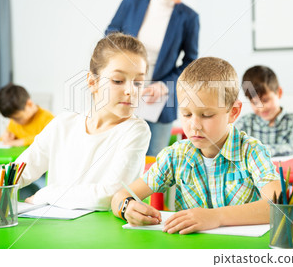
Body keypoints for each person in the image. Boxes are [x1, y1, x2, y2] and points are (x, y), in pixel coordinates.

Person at [0, 33, 151, 211]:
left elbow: (112, 194)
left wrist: (46, 195)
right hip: (56, 232)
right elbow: (22, 168)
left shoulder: (136, 130)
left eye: (138, 82)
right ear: (92, 82)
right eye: (118, 80)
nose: (130, 90)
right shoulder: (63, 124)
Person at [111, 57, 281, 234]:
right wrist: (126, 207)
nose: (195, 125)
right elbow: (119, 197)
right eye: (186, 114)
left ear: (233, 112)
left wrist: (216, 217)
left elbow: (279, 206)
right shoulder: (175, 156)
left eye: (206, 115)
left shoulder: (251, 152)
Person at [105, 0, 199, 157]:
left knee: (155, 167)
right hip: (125, 94)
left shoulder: (189, 18)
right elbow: (111, 34)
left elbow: (191, 63)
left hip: (158, 103)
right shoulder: (132, 1)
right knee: (120, 159)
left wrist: (165, 87)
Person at [235, 66, 293, 157]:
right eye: (254, 102)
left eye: (265, 100)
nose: (261, 108)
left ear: (279, 93)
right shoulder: (245, 122)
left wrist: (258, 150)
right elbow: (233, 146)